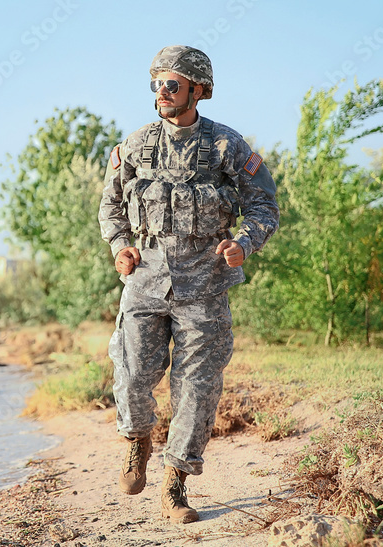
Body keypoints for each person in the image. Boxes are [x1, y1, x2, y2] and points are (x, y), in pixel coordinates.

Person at [97, 45, 279, 524]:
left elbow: (264, 206)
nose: (162, 91)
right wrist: (120, 246)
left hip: (205, 284)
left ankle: (174, 485)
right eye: (156, 82)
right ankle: (137, 442)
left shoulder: (226, 147)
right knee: (133, 372)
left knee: (197, 387)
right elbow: (111, 207)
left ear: (198, 90)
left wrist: (245, 242)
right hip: (146, 278)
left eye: (172, 83)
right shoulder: (134, 145)